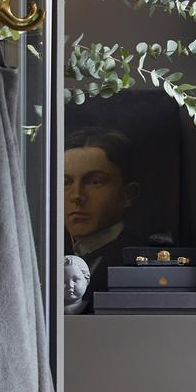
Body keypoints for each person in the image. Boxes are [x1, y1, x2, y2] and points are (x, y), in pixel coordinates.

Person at [64, 127, 141, 296]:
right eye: (65, 182)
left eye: (95, 182)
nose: (77, 196)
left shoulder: (140, 258)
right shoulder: (45, 255)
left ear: (128, 195)